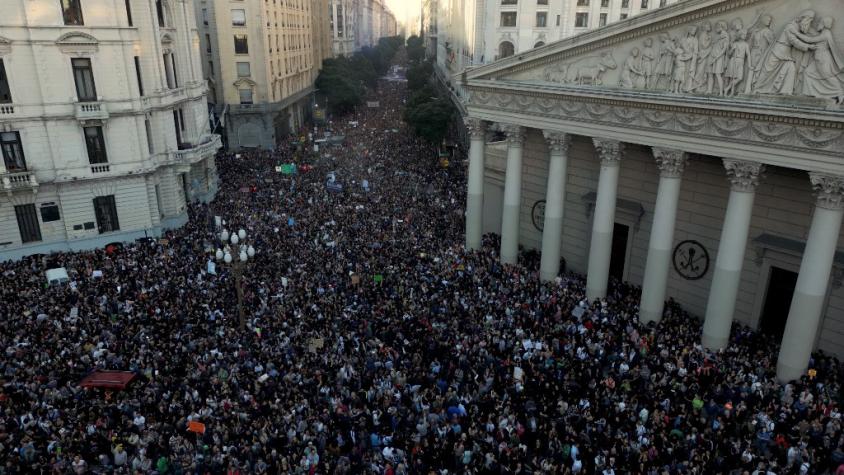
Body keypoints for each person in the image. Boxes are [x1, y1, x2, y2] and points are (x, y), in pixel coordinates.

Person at [753, 10, 817, 95]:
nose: (808, 25)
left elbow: (803, 35)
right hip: (778, 51)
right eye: (808, 22)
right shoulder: (790, 27)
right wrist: (808, 46)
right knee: (767, 71)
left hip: (786, 53)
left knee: (791, 68)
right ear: (803, 19)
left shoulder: (797, 27)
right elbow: (794, 41)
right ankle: (757, 88)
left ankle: (785, 91)